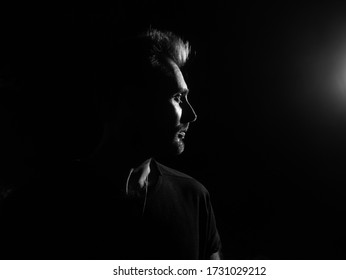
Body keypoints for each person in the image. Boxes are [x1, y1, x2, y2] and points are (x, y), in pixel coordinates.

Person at [1, 28, 221, 260]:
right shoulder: (37, 207)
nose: (192, 114)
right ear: (129, 103)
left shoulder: (194, 198)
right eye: (177, 98)